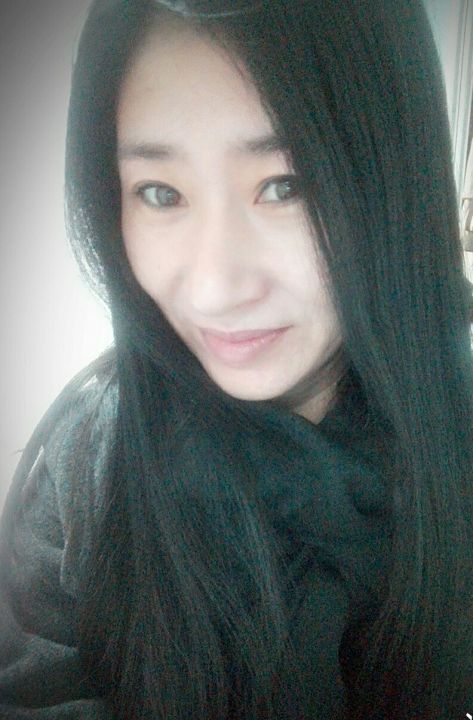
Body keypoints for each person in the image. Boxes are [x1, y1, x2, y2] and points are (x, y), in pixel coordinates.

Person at [1, 1, 472, 718]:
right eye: (161, 193)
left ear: (394, 180)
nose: (214, 289)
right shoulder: (91, 461)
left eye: (287, 186)